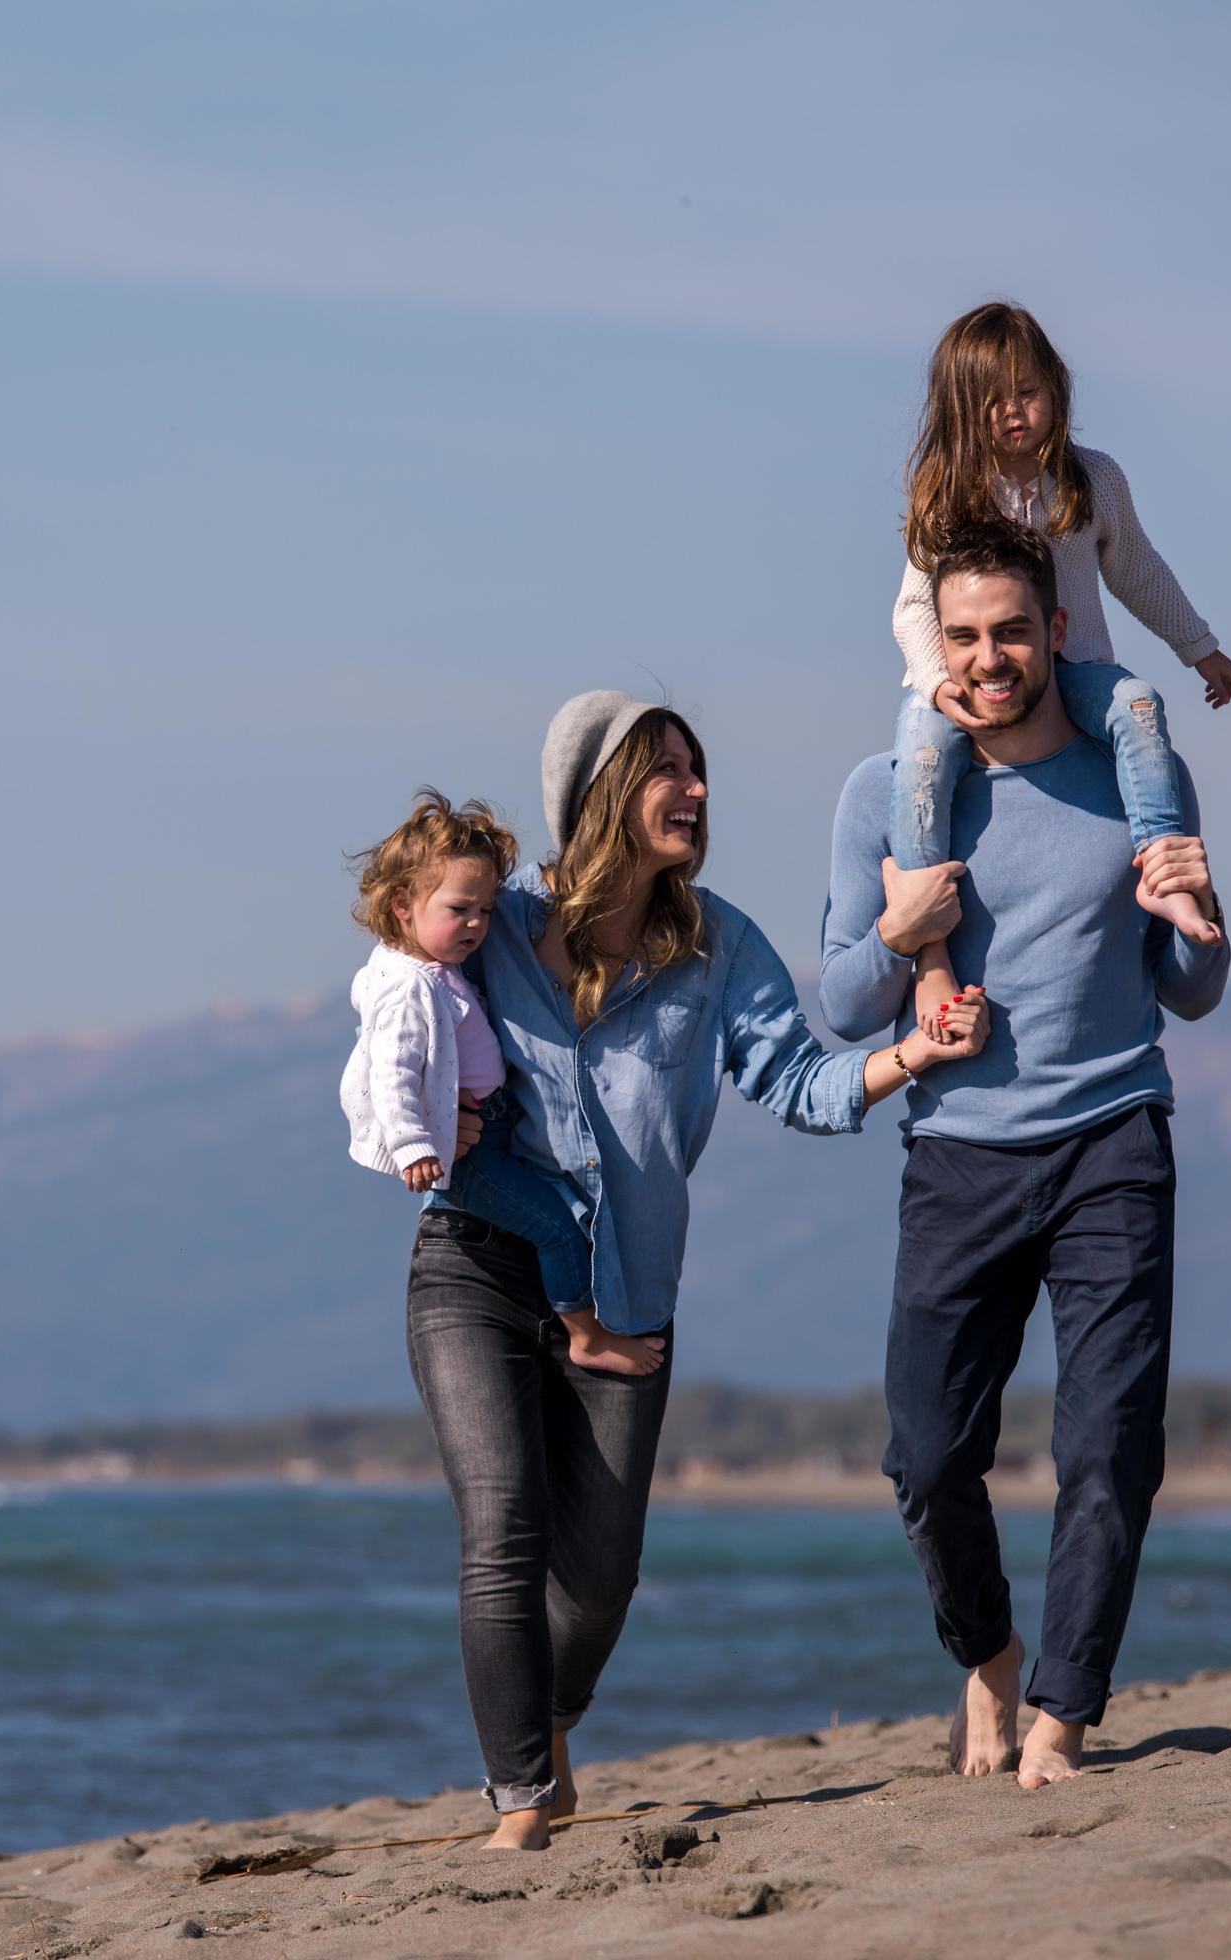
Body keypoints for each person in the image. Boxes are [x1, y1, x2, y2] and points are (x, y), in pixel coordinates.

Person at [411, 691, 988, 1850]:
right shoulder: (499, 929)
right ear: (599, 794)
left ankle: (553, 1723)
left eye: (699, 768)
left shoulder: (716, 945)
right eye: (669, 769)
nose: (699, 790)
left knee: (603, 1577)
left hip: (624, 1292)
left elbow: (802, 1084)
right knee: (503, 1527)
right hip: (477, 1263)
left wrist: (909, 1054)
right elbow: (399, 997)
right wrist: (409, 1113)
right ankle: (521, 1799)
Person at [822, 519, 1231, 1790]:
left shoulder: (1132, 777)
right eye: (965, 636)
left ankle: (1061, 1716)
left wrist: (1205, 919)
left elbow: (1193, 988)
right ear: (932, 647)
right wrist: (899, 936)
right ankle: (988, 1653)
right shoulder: (878, 796)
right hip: (959, 1156)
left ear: (1057, 629)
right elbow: (843, 1006)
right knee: (928, 1455)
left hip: (1114, 1133)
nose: (990, 658)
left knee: (1110, 1442)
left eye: (1012, 630)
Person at [885, 300, 1231, 1037]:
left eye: (1027, 391)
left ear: (1057, 387)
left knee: (1138, 705)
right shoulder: (948, 487)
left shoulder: (1092, 479)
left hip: (1073, 669)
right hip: (961, 680)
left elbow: (1136, 570)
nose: (1012, 413)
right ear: (959, 410)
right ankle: (930, 952)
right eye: (990, 401)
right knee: (918, 759)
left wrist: (1198, 646)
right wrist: (937, 686)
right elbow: (913, 607)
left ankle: (1161, 868)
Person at [342, 790, 667, 1377]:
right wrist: (413, 1143)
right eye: (460, 909)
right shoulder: (408, 987)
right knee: (556, 1229)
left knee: (564, 1212)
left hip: (494, 1125)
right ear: (401, 906)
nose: (477, 924)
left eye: (487, 910)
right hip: (473, 1151)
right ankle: (585, 1335)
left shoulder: (434, 971)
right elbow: (389, 1071)